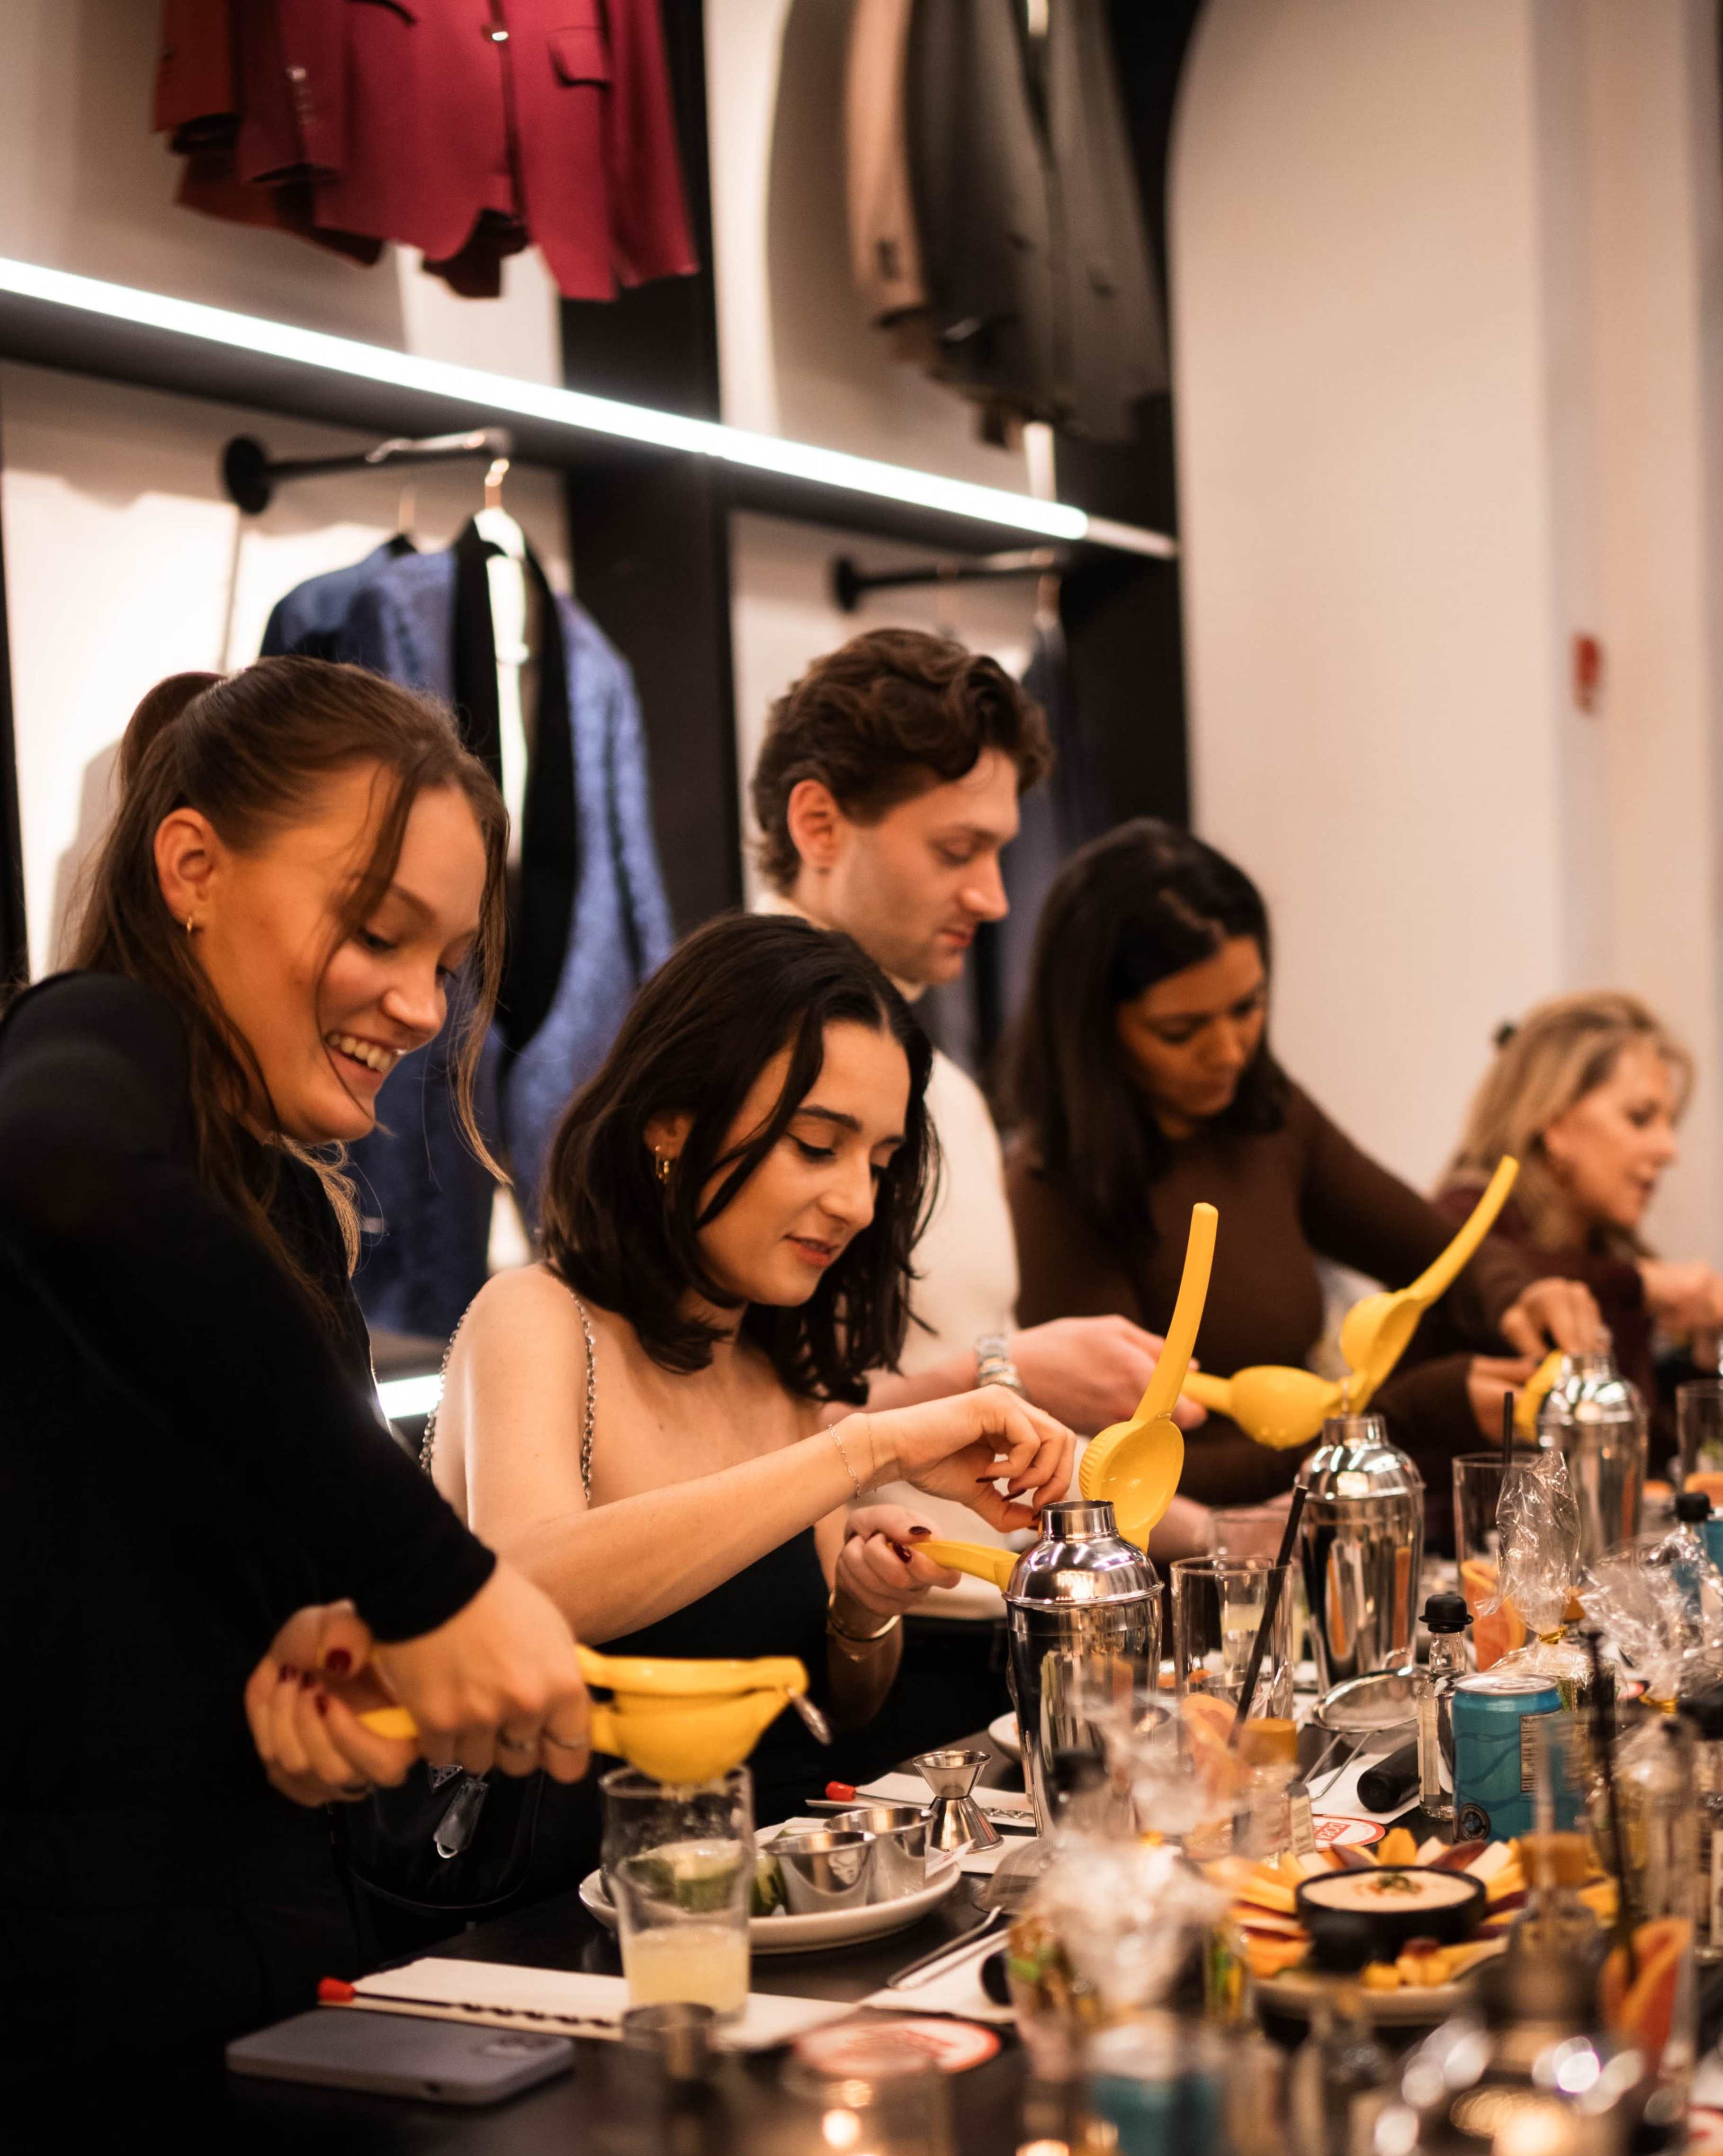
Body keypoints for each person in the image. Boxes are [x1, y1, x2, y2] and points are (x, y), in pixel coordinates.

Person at [0, 662, 593, 2065]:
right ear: (191, 867)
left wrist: (327, 1665)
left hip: (243, 1977)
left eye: (445, 962)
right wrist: (426, 1583)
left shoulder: (264, 1195)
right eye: (381, 934)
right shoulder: (98, 1034)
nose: (423, 1007)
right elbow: (55, 1165)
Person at [427, 915, 1074, 1825]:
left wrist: (863, 1608)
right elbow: (526, 1586)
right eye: (815, 1145)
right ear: (671, 1123)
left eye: (881, 1164)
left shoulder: (781, 1367)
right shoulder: (538, 1316)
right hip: (560, 1908)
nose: (855, 1202)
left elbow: (837, 1709)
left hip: (768, 1880)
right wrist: (866, 1449)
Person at [746, 628, 1209, 1750]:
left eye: (999, 852)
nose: (995, 897)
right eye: (957, 849)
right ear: (820, 826)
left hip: (977, 1629)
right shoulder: (745, 1065)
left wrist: (1193, 1526)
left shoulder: (933, 1074)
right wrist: (1002, 1373)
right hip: (842, 1666)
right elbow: (737, 1433)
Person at [1005, 822, 1605, 1508]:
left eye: (1248, 1007)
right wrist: (1396, 1419)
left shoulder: (1271, 1119)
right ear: (1093, 1028)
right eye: (1182, 1031)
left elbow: (1441, 1261)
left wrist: (1517, 1295)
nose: (1229, 1050)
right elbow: (1131, 1475)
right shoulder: (1054, 1188)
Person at [1436, 992, 1723, 1460]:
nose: (1668, 1149)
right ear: (1553, 1123)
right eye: (1640, 1118)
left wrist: (1713, 1353)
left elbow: (1641, 1461)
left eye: (1669, 1122)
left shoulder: (1607, 1247)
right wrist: (1644, 1283)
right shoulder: (1462, 1218)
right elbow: (1516, 1277)